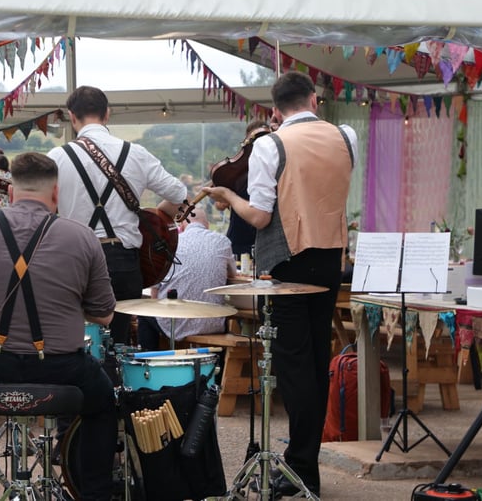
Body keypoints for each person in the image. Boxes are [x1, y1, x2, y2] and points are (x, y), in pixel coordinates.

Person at [204, 71, 357, 499]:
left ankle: (302, 468)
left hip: (287, 262)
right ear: (314, 99)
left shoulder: (269, 145)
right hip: (331, 259)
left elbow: (260, 217)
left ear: (274, 111)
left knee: (293, 366)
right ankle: (304, 465)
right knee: (314, 360)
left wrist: (227, 198)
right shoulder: (345, 135)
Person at [0, 152, 117, 501]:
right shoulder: (82, 236)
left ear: (11, 191)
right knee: (105, 402)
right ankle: (94, 493)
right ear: (56, 194)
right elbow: (104, 316)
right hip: (63, 368)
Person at [48, 85, 187, 345]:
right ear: (107, 114)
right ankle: (113, 383)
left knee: (72, 337)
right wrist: (159, 214)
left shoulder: (57, 157)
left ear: (71, 116)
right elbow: (178, 192)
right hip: (123, 260)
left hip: (74, 258)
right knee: (119, 342)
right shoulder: (135, 154)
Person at [137, 207, 237, 350]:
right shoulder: (223, 241)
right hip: (213, 323)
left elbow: (155, 293)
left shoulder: (171, 244)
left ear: (182, 225)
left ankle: (149, 362)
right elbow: (233, 275)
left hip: (175, 325)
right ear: (207, 225)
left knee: (144, 314)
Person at [214, 120, 272, 257]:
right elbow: (220, 205)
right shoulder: (236, 171)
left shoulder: (272, 167)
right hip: (239, 238)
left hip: (265, 238)